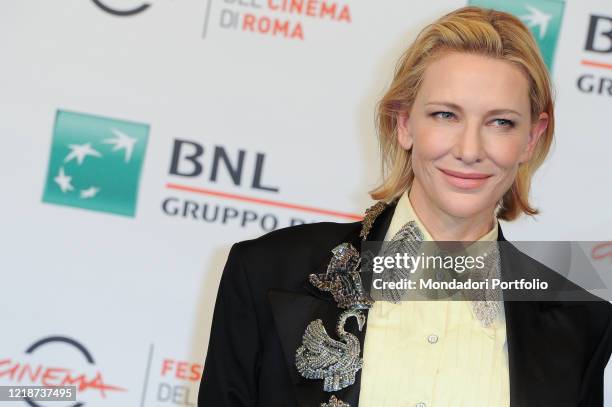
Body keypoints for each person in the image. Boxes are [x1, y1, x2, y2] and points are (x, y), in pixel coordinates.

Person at [197, 6, 612, 407]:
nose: (469, 150)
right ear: (404, 123)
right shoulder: (268, 271)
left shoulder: (580, 321)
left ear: (531, 139)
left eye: (500, 122)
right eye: (446, 115)